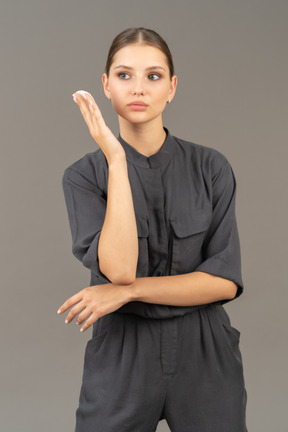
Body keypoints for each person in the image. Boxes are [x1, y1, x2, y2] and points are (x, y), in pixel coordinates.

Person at [58, 27, 248, 432]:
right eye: (124, 76)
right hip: (122, 356)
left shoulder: (211, 167)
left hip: (204, 353)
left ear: (172, 87)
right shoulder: (84, 176)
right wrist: (116, 160)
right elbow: (121, 269)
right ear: (106, 86)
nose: (139, 88)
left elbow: (224, 283)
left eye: (154, 76)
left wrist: (128, 293)